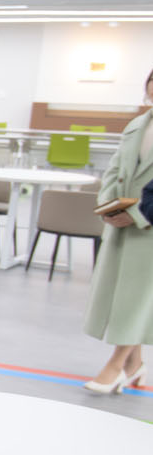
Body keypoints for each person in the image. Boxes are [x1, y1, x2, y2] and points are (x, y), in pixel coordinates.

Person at [81, 69, 153, 394]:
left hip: (146, 224)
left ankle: (116, 364)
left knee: (139, 298)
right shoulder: (138, 124)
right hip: (120, 222)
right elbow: (115, 167)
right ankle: (134, 364)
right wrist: (108, 203)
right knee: (123, 296)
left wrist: (136, 213)